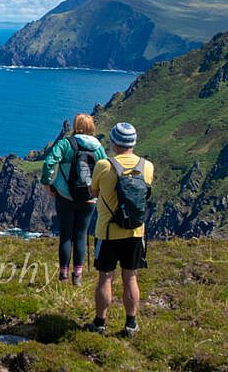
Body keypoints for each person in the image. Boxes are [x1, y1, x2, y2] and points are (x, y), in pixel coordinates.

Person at [87, 122, 154, 338]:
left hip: (107, 232)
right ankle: (131, 324)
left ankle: (100, 323)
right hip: (135, 232)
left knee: (105, 278)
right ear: (133, 142)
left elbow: (93, 191)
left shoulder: (104, 165)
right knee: (131, 277)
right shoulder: (147, 166)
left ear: (114, 142)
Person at [41, 113, 107, 285]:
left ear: (76, 126)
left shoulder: (66, 144)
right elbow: (106, 169)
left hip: (65, 196)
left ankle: (63, 274)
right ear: (92, 127)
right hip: (89, 198)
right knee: (81, 235)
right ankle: (77, 276)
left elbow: (49, 163)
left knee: (66, 235)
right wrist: (98, 190)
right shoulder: (98, 148)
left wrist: (47, 183)